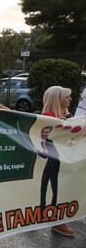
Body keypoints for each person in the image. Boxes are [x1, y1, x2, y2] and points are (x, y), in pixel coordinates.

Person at [40, 85, 74, 236]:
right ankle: (57, 220)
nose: (70, 99)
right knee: (51, 190)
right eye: (67, 97)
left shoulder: (66, 115)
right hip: (53, 160)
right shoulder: (48, 115)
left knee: (58, 190)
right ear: (57, 99)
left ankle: (58, 219)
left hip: (65, 159)